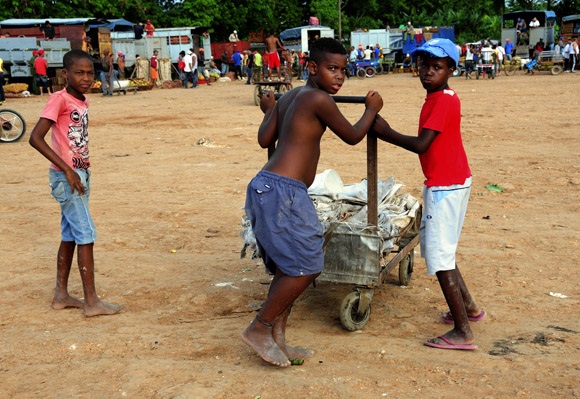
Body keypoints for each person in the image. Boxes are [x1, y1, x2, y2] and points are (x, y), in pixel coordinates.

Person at [243, 37, 383, 367]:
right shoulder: (318, 99)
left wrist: (270, 110)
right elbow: (352, 136)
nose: (339, 77)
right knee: (307, 265)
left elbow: (265, 138)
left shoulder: (290, 96)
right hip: (283, 192)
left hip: (268, 186)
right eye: (332, 69)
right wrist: (371, 110)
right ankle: (259, 328)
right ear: (311, 68)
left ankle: (278, 339)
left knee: (287, 266)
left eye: (344, 71)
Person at [371, 38, 483, 351]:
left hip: (445, 185)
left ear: (451, 69)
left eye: (437, 66)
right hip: (453, 179)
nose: (428, 71)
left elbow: (422, 144)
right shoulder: (440, 97)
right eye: (424, 65)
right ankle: (470, 309)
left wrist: (385, 132)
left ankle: (463, 332)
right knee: (445, 249)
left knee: (438, 254)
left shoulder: (443, 100)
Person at [28, 49, 123, 317]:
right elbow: (35, 138)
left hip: (80, 176)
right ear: (65, 74)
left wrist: (78, 171)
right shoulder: (58, 99)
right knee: (86, 235)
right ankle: (91, 302)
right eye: (79, 72)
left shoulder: (81, 101)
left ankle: (61, 295)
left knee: (70, 235)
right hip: (67, 178)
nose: (85, 77)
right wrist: (67, 170)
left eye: (89, 73)